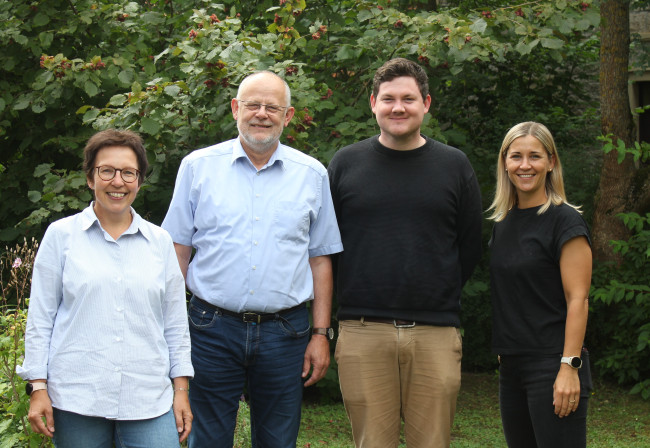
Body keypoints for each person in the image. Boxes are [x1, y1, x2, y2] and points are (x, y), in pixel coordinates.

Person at [161, 70, 343, 448]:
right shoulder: (197, 167)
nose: (261, 113)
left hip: (286, 332)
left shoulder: (312, 175)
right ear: (235, 109)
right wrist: (171, 329)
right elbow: (177, 250)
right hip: (209, 328)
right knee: (206, 439)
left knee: (278, 441)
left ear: (288, 115)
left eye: (272, 107)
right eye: (252, 105)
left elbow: (321, 259)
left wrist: (321, 334)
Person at [327, 58, 483, 448]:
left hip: (435, 331)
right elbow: (326, 248)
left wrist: (435, 289)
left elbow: (470, 244)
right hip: (363, 331)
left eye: (409, 99)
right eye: (389, 98)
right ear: (373, 104)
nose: (399, 107)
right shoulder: (346, 164)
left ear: (426, 103)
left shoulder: (454, 165)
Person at [17, 129, 194, 448]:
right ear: (90, 178)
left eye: (128, 172)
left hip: (148, 400)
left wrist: (180, 390)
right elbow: (40, 319)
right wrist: (38, 386)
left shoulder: (160, 242)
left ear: (139, 181)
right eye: (107, 171)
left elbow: (175, 324)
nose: (118, 181)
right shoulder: (61, 237)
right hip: (77, 399)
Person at [487, 121, 593, 447]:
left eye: (535, 156)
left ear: (551, 162)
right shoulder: (503, 222)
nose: (525, 165)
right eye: (516, 156)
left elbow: (578, 299)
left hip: (553, 365)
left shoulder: (565, 221)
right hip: (512, 367)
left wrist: (569, 366)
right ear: (505, 163)